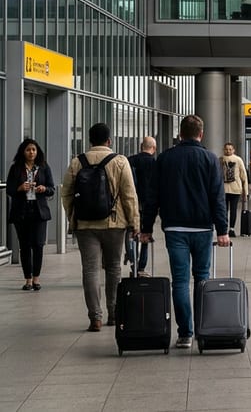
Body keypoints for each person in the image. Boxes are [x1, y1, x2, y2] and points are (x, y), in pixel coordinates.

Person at [140, 115, 230, 349]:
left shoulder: (165, 158)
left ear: (180, 134)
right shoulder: (210, 159)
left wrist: (146, 228)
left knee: (180, 282)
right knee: (202, 280)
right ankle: (203, 329)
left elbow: (153, 197)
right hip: (202, 228)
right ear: (201, 134)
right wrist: (222, 230)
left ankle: (185, 333)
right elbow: (217, 198)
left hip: (175, 228)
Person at [61, 123, 140, 332]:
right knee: (114, 267)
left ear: (90, 140)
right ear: (109, 140)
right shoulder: (120, 161)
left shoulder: (77, 162)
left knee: (90, 269)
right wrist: (135, 223)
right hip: (115, 223)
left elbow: (66, 193)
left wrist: (72, 217)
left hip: (85, 225)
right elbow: (129, 195)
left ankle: (95, 317)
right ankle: (113, 313)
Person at [6, 139, 55, 291]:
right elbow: (9, 189)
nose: (31, 152)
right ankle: (27, 279)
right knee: (25, 246)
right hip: (22, 212)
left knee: (38, 245)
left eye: (34, 149)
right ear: (23, 152)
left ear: (37, 151)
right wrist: (20, 187)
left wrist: (43, 189)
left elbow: (51, 188)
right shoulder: (16, 168)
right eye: (28, 150)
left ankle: (36, 279)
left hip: (39, 211)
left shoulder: (43, 167)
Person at [126, 136, 158, 277]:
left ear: (141, 146)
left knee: (130, 232)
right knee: (145, 234)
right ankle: (141, 267)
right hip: (147, 204)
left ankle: (132, 258)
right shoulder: (155, 163)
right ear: (154, 148)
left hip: (130, 203)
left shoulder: (129, 161)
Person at [220, 143, 249, 237]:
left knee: (233, 210)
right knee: (224, 210)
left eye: (230, 149)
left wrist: (245, 192)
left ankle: (231, 228)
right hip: (223, 189)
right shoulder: (220, 160)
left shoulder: (238, 160)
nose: (228, 151)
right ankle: (225, 228)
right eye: (226, 149)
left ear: (233, 150)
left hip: (235, 189)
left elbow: (243, 176)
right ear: (223, 150)